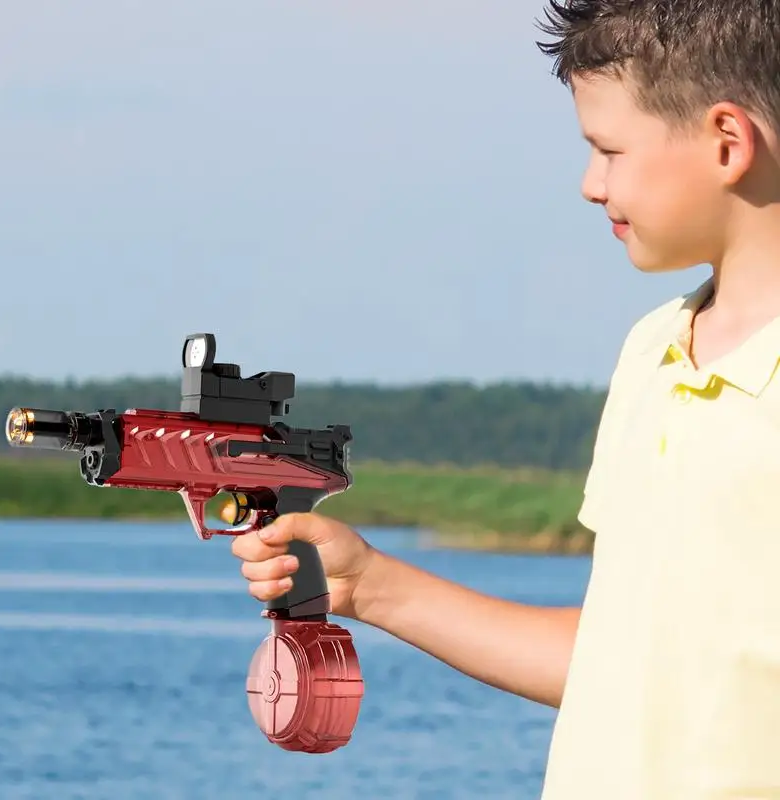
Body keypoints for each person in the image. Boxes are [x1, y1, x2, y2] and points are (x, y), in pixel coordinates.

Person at [232, 1, 780, 797]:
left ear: (727, 142)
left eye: (608, 149)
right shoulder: (652, 354)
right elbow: (619, 669)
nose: (591, 185)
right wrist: (370, 585)